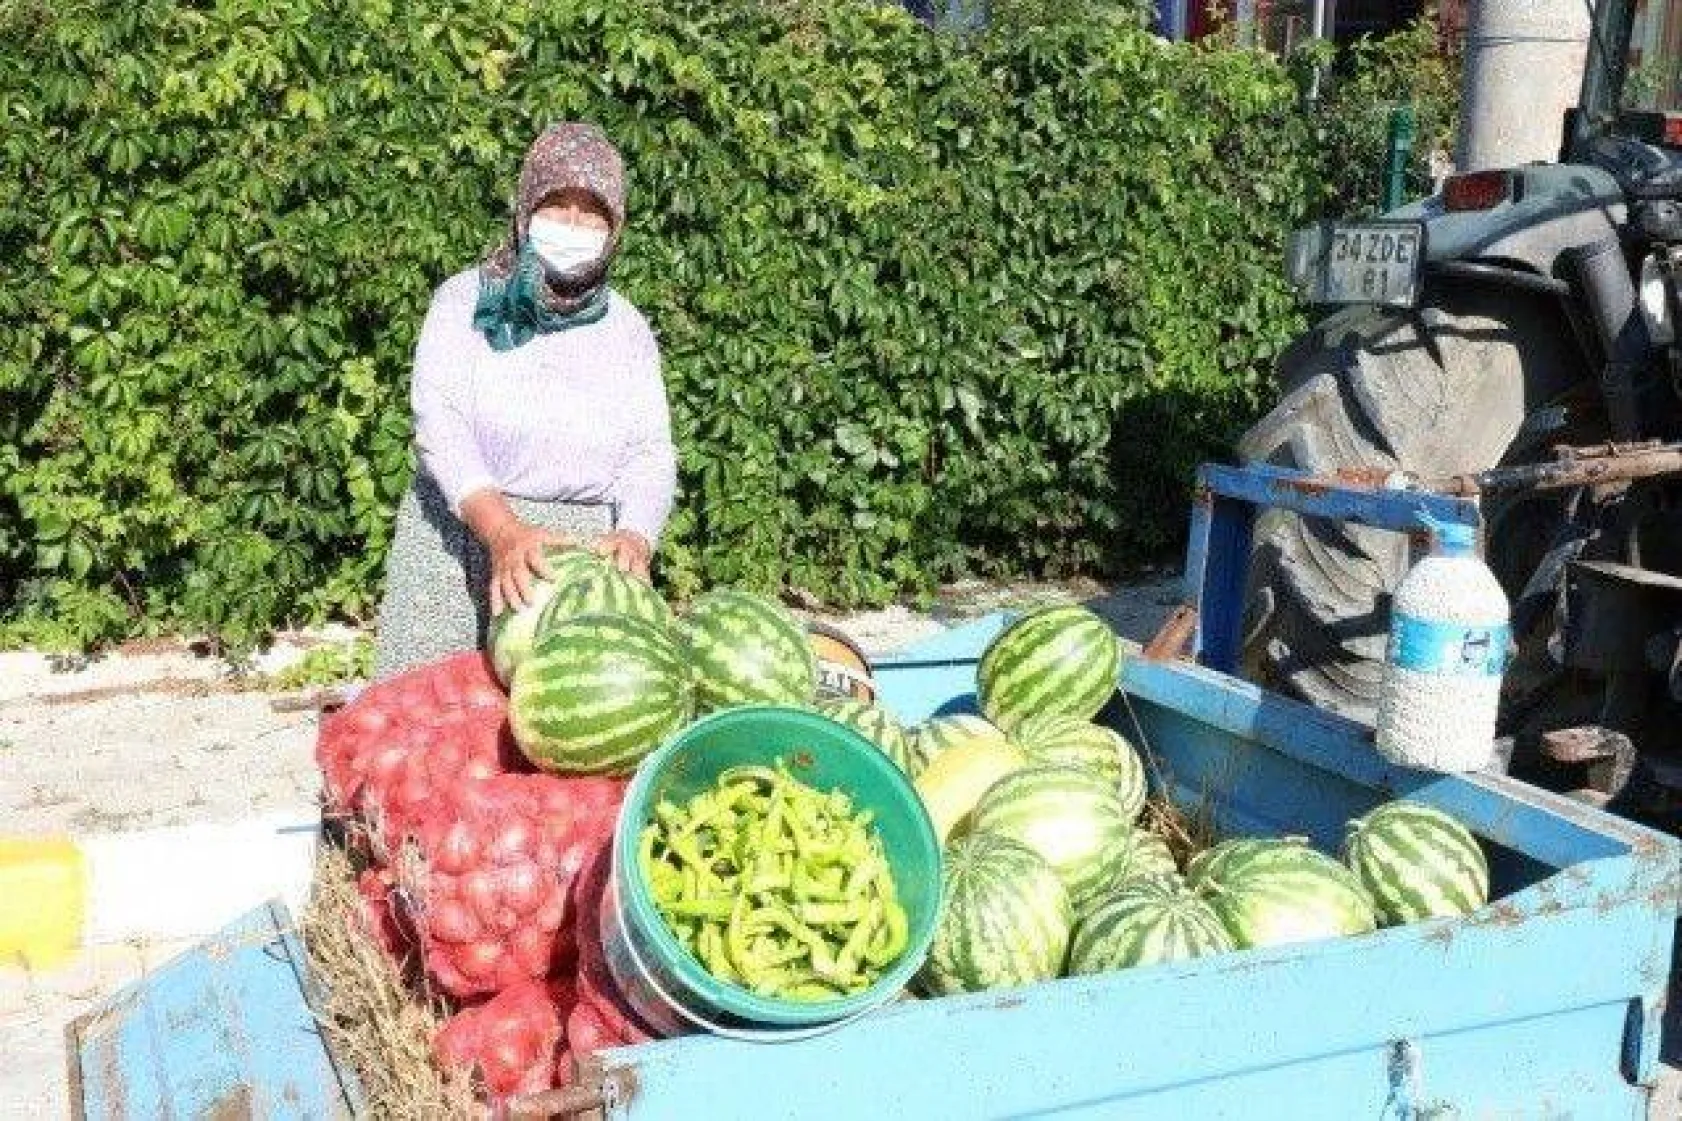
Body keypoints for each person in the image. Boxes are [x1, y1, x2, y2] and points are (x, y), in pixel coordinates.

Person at [372, 123, 677, 679]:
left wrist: (636, 535)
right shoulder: (464, 300)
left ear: (615, 228)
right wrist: (503, 533)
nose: (573, 225)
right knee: (428, 733)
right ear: (525, 208)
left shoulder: (627, 327)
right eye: (557, 206)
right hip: (459, 538)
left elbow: (650, 452)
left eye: (592, 212)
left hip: (578, 558)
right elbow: (441, 424)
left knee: (557, 741)